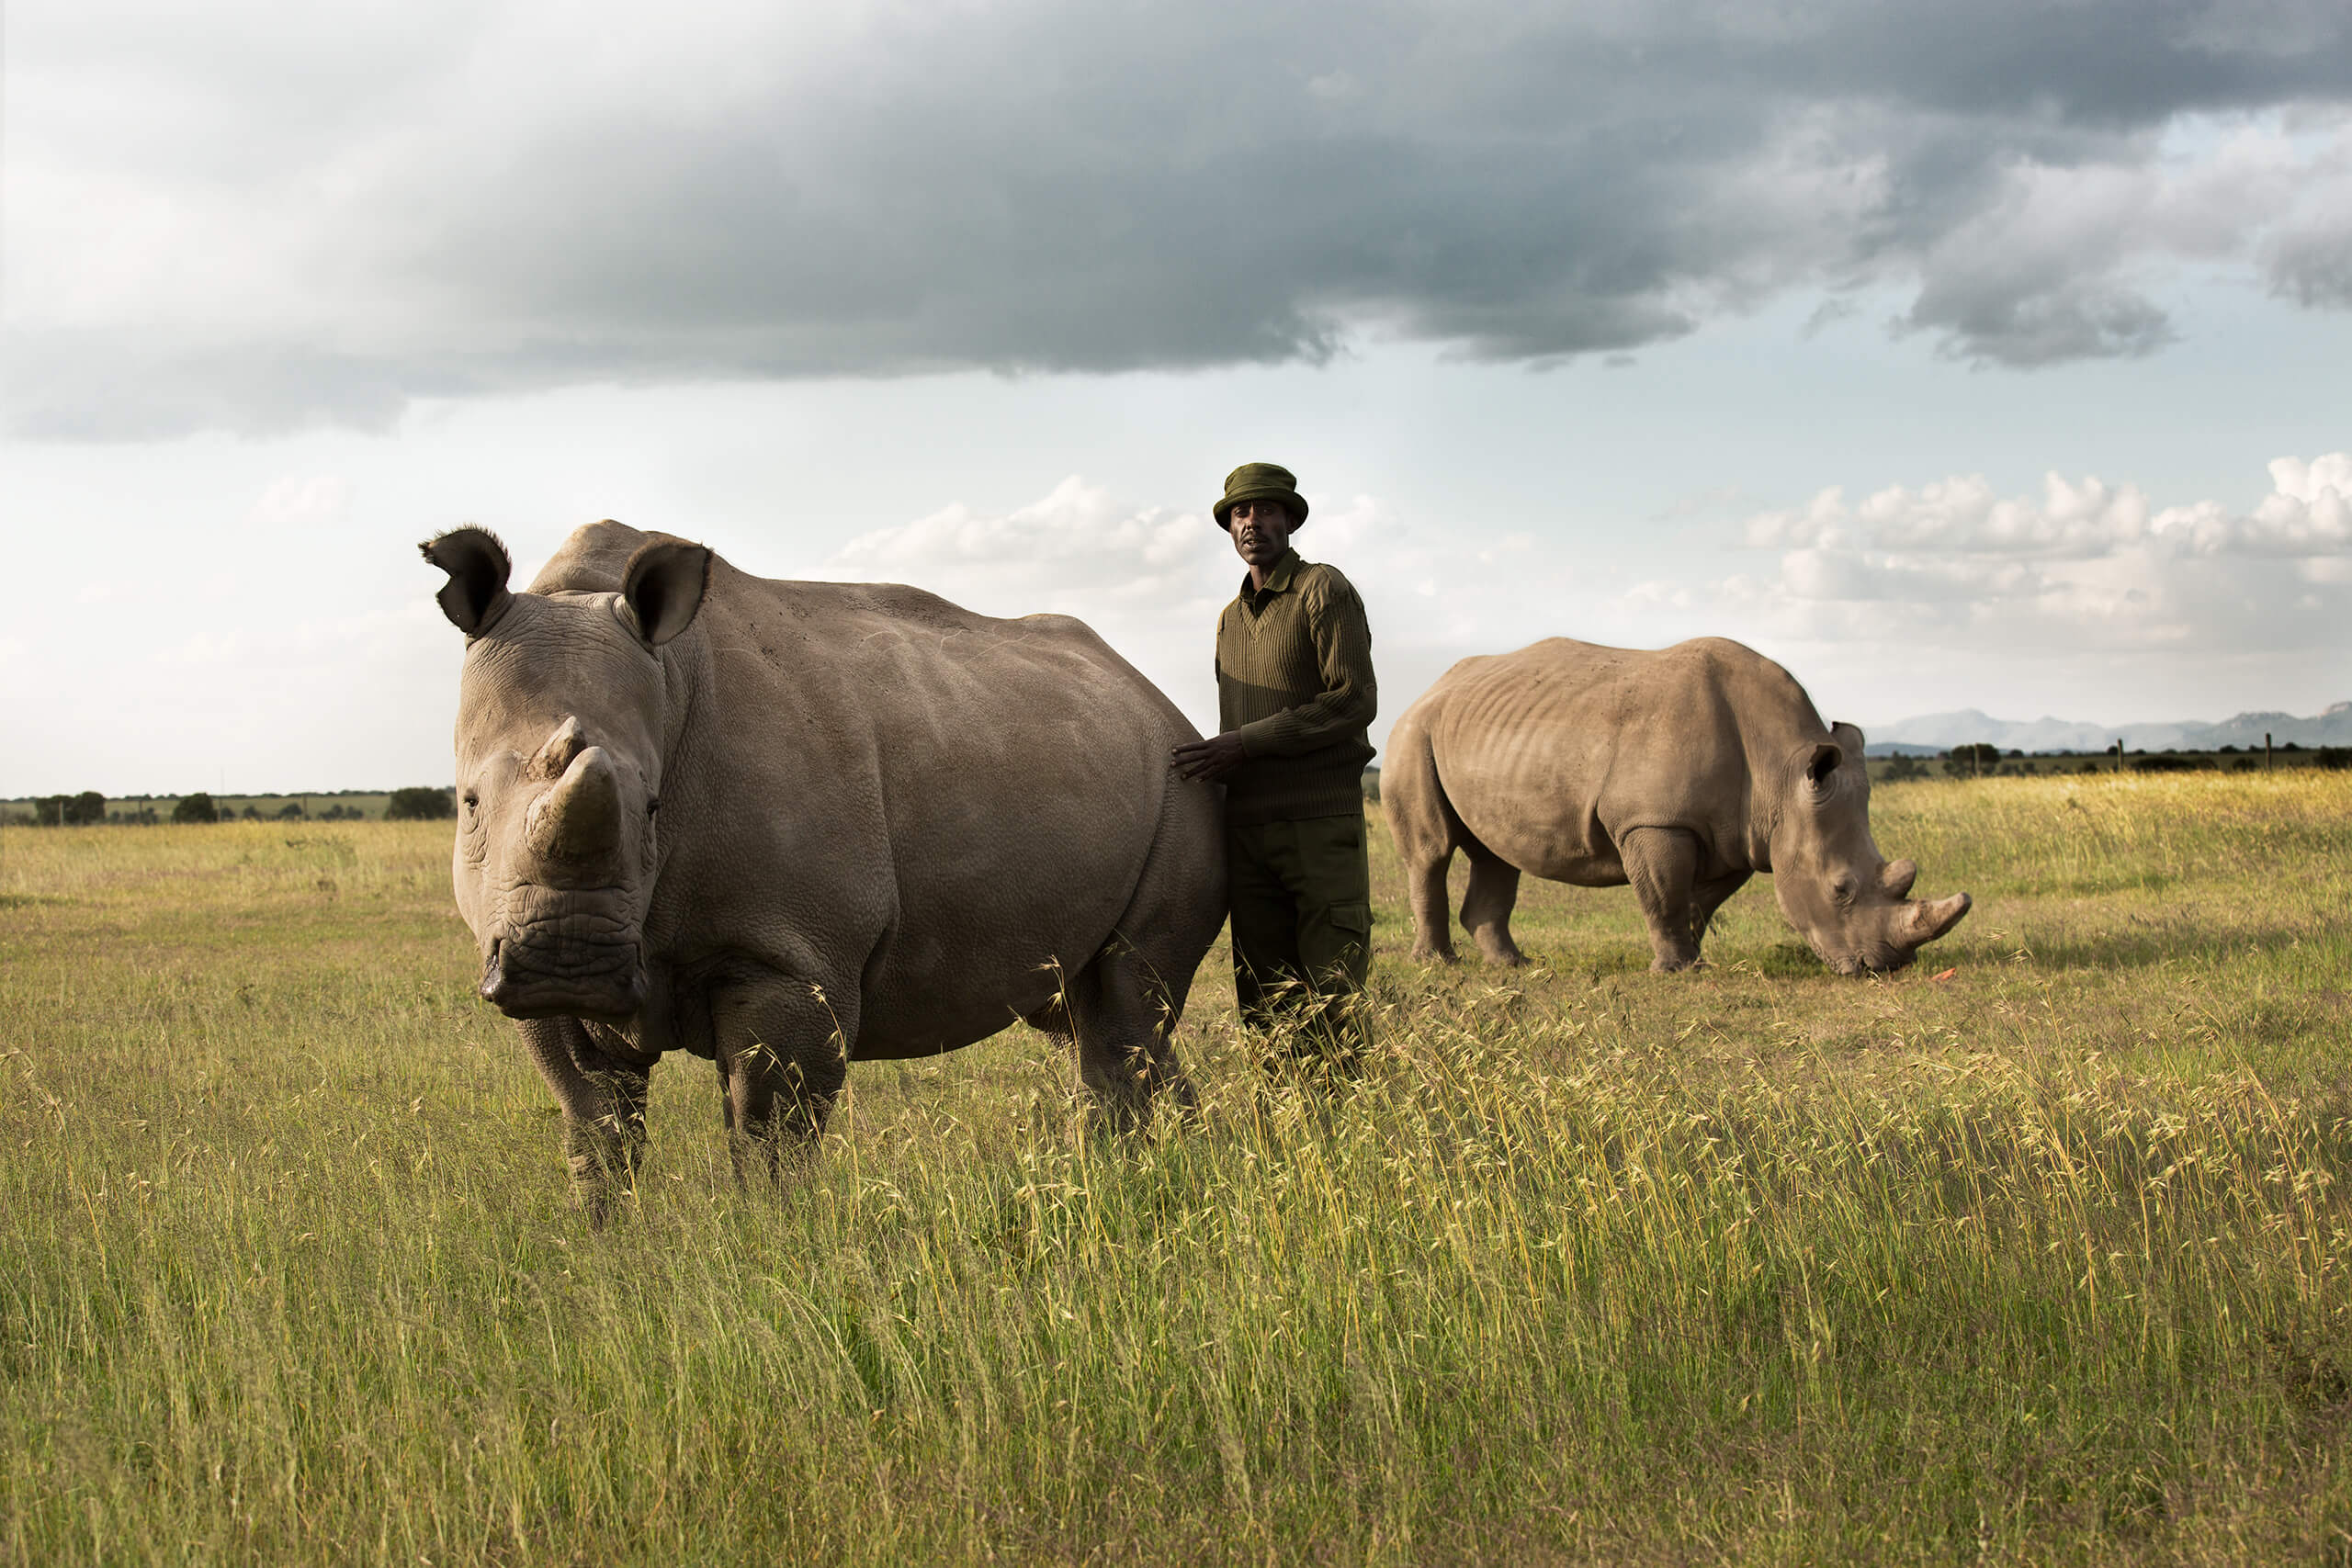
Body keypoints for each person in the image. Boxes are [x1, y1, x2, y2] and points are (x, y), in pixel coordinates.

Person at [1170, 461, 1377, 1068]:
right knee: (1262, 999)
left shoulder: (1322, 589)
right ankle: (1278, 1138)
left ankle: (1343, 1133)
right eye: (1239, 512)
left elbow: (1353, 699)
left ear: (1290, 519)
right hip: (1248, 830)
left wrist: (1246, 744)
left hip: (1319, 823)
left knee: (1332, 996)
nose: (1251, 521)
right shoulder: (1229, 619)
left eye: (1264, 509)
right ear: (1228, 527)